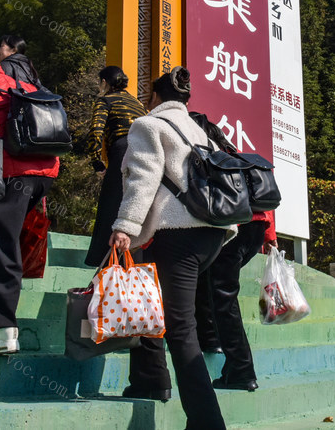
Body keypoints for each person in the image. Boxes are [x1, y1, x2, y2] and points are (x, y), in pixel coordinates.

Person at [108, 67, 234, 430]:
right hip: (212, 234)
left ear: (155, 98)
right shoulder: (198, 129)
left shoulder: (148, 125)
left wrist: (125, 227)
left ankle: (207, 421)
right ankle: (154, 381)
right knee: (176, 320)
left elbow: (142, 178)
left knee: (180, 329)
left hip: (177, 234)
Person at [0, 43, 60, 355]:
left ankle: (2, 328)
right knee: (3, 242)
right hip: (44, 171)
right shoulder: (20, 82)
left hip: (11, 172)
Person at [189, 111, 278, 392]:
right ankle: (212, 340)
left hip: (235, 232)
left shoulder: (209, 156)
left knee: (224, 296)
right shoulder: (233, 153)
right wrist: (270, 237)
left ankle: (241, 369)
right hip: (255, 231)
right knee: (210, 283)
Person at [83, 65, 146, 267]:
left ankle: (106, 261)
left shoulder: (105, 100)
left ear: (104, 82)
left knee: (111, 205)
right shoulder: (139, 104)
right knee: (136, 204)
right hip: (145, 154)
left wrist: (96, 162)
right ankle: (133, 261)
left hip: (121, 151)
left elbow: (96, 131)